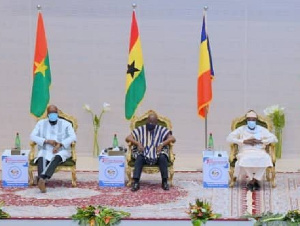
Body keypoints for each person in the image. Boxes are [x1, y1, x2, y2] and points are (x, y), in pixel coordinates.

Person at [226, 110, 277, 191]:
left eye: (253, 120)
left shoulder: (262, 129)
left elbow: (274, 139)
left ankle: (253, 181)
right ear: (247, 120)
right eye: (249, 119)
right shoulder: (241, 129)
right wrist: (243, 141)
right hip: (245, 151)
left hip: (259, 151)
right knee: (244, 160)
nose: (251, 121)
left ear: (256, 120)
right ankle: (254, 180)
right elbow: (229, 138)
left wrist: (261, 141)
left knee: (266, 158)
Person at [30, 105, 77, 193]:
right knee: (42, 157)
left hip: (61, 149)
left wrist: (60, 144)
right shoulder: (41, 123)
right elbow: (32, 136)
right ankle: (42, 180)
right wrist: (46, 141)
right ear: (47, 114)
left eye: (55, 113)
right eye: (51, 113)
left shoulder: (66, 124)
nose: (53, 115)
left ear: (57, 113)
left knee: (57, 157)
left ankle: (42, 178)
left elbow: (73, 137)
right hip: (46, 148)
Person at [125, 111, 176, 192]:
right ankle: (136, 182)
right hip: (144, 152)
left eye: (152, 122)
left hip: (157, 152)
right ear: (146, 121)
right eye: (149, 121)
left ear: (156, 123)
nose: (150, 124)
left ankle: (164, 181)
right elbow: (128, 138)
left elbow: (172, 138)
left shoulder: (161, 129)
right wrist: (137, 143)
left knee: (163, 157)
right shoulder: (140, 129)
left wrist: (162, 144)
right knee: (139, 157)